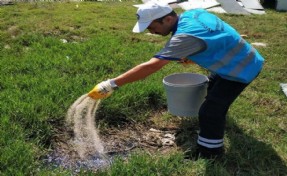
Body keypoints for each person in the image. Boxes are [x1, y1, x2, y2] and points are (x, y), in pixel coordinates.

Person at [88, 2, 264, 159]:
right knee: (212, 92)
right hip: (244, 57)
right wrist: (194, 52)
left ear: (167, 19)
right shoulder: (193, 14)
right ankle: (213, 125)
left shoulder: (184, 37)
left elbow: (151, 66)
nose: (152, 32)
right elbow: (216, 35)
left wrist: (112, 84)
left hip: (240, 71)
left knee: (210, 112)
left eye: (151, 27)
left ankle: (210, 153)